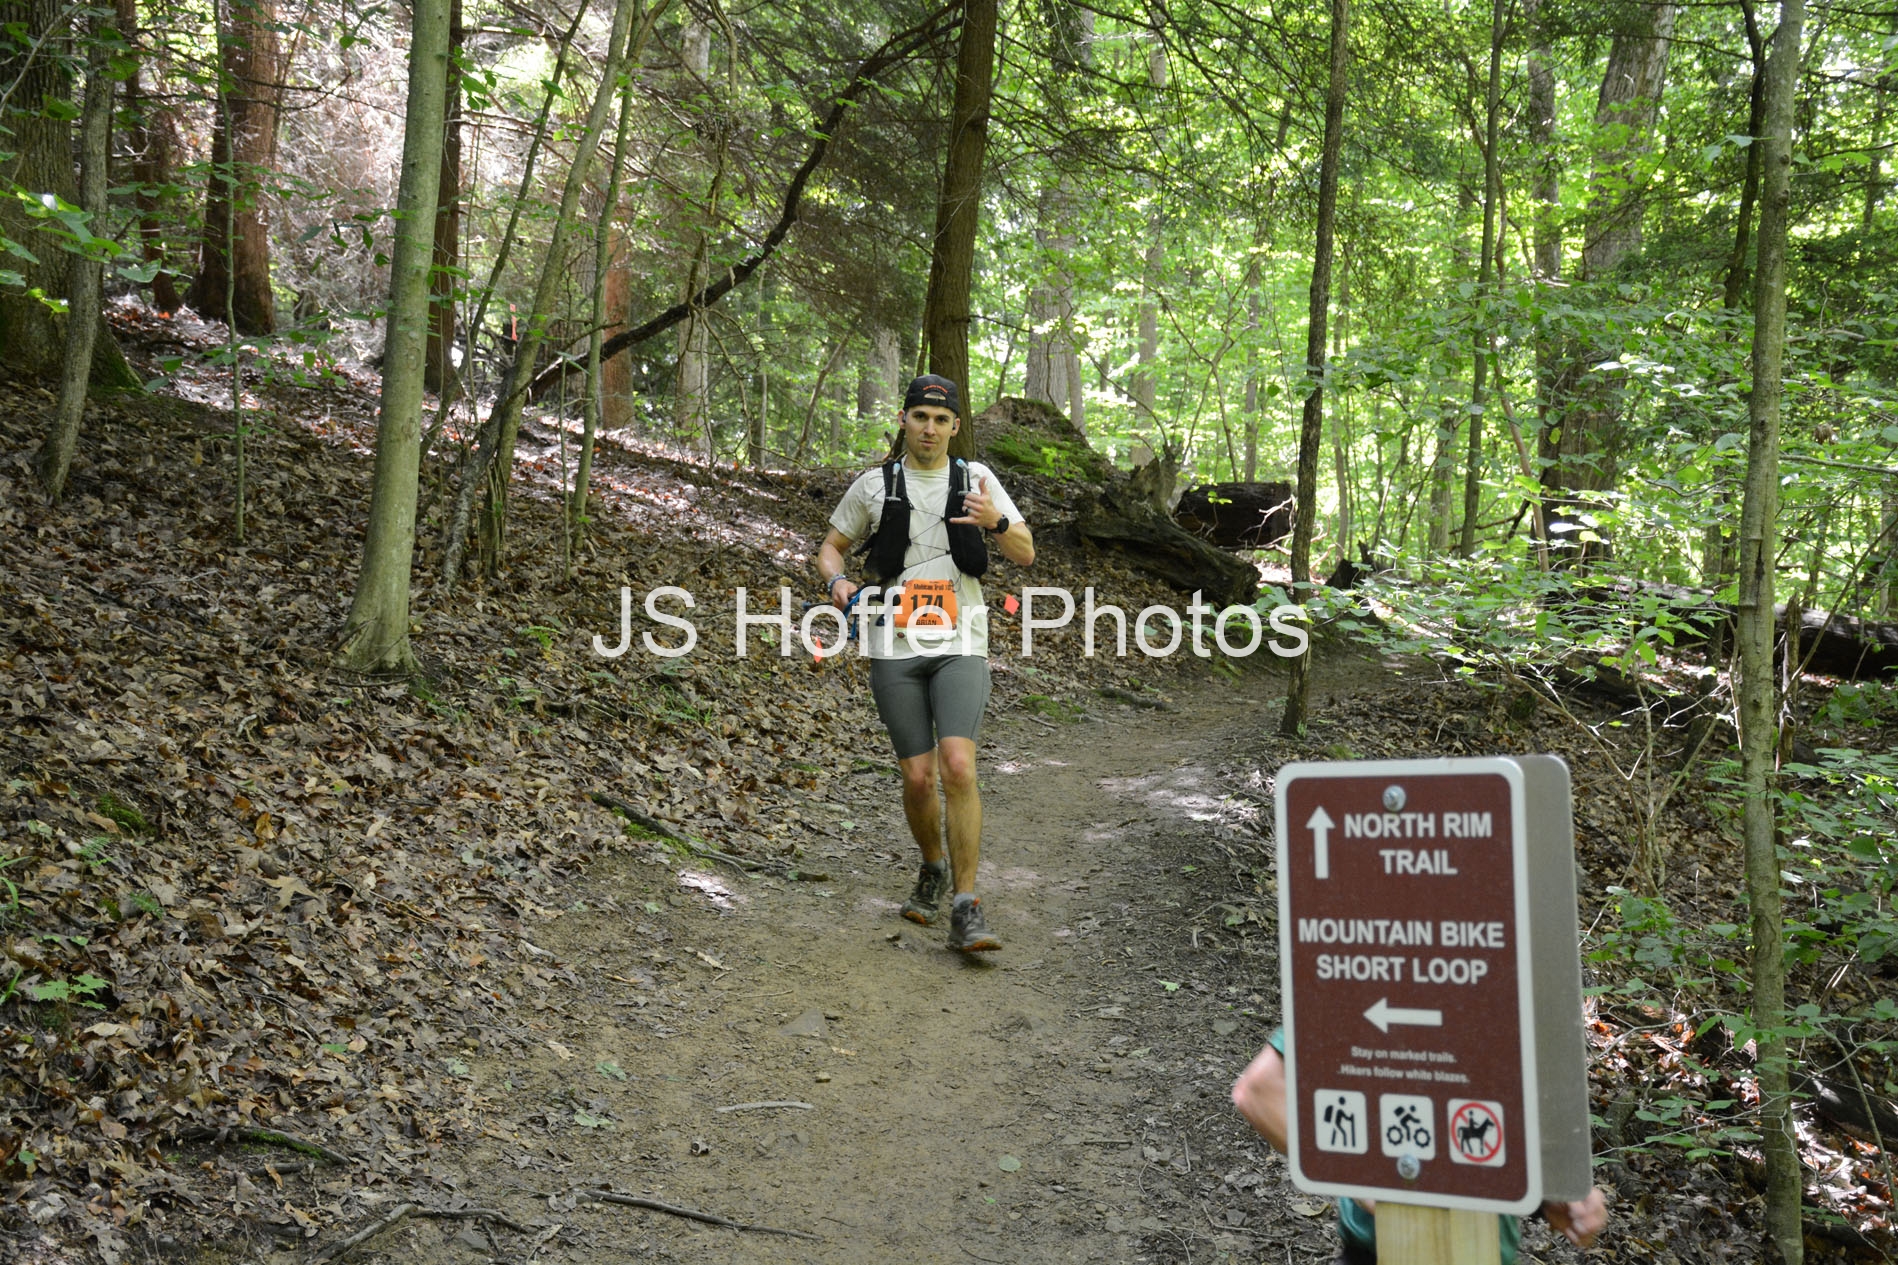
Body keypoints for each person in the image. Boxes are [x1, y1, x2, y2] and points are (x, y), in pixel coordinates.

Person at [816, 374, 1034, 953]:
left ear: (955, 427)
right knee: (917, 776)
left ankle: (967, 905)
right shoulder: (874, 484)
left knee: (957, 765)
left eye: (941, 420)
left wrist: (996, 522)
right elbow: (830, 546)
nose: (929, 429)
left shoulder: (977, 481)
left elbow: (1026, 552)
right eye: (920, 417)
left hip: (961, 641)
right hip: (894, 642)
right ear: (904, 420)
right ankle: (933, 866)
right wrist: (838, 584)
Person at [1231, 1030, 1609, 1264]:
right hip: (1387, 1249)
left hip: (1486, 1249)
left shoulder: (1505, 986)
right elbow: (1261, 1091)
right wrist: (1367, 1180)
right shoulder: (1377, 968)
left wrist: (1544, 1190)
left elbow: (1485, 1118)